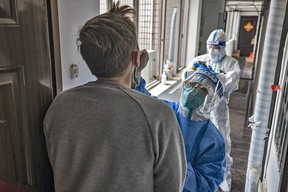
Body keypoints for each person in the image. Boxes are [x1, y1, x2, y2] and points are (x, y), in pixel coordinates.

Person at [43, 2, 187, 192]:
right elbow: (171, 186)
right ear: (136, 58)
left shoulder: (59, 106)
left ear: (87, 59)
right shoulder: (158, 116)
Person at [136, 64, 226, 192]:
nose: (194, 91)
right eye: (192, 85)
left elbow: (204, 185)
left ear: (212, 99)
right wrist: (136, 75)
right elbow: (142, 99)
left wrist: (171, 163)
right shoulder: (166, 110)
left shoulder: (213, 140)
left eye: (202, 90)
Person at [184, 29, 241, 192]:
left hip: (219, 110)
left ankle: (224, 184)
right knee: (200, 143)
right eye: (211, 46)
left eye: (217, 47)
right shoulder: (200, 60)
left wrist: (214, 76)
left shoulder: (231, 64)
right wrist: (207, 74)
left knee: (223, 144)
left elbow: (230, 82)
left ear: (223, 47)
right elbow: (188, 76)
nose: (213, 50)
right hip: (199, 109)